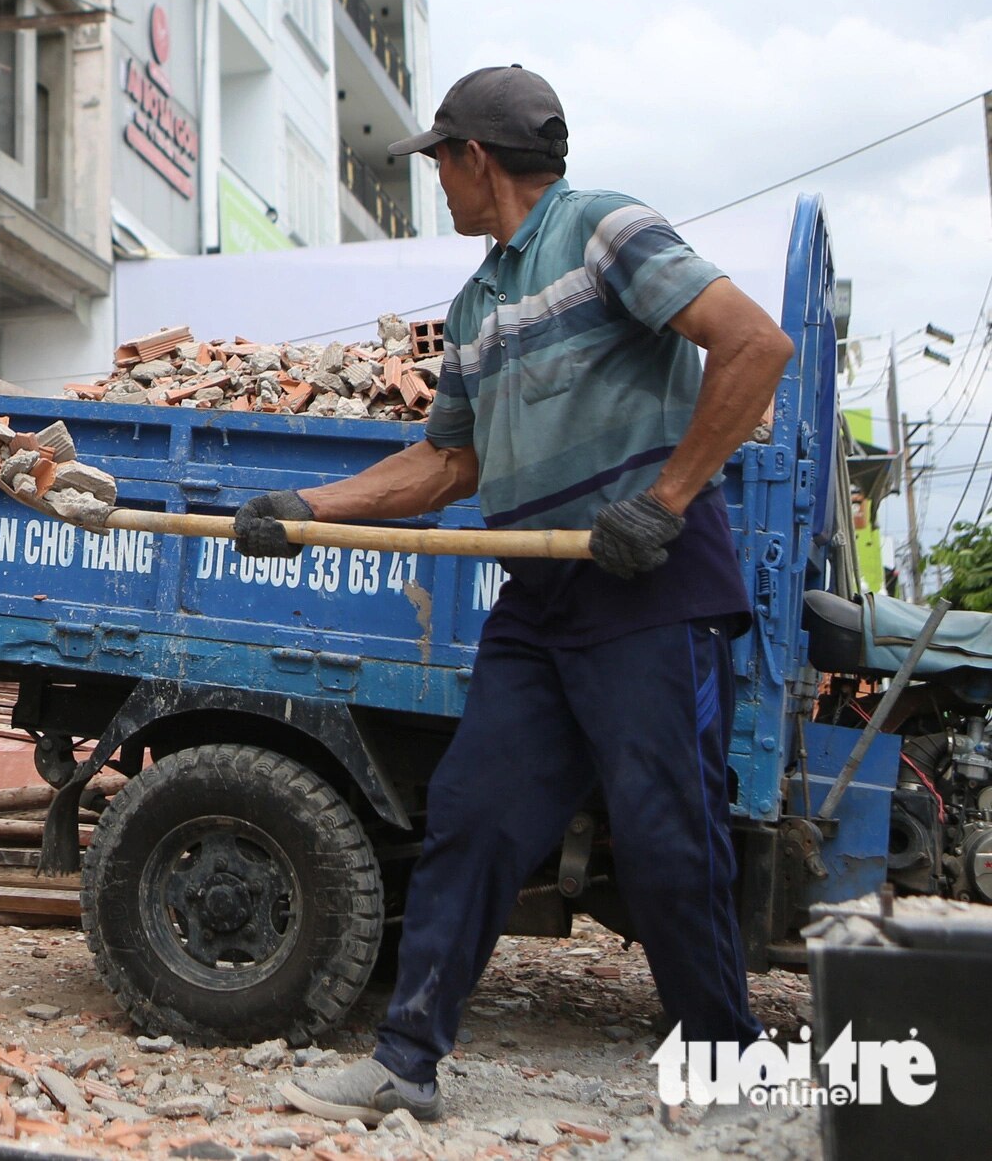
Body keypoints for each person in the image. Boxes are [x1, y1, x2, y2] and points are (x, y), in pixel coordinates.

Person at [232, 67, 791, 1121]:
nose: (433, 182)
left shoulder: (603, 231)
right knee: (472, 814)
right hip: (539, 605)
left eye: (437, 160)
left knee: (667, 833)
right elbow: (446, 465)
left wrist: (665, 499)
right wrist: (303, 506)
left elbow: (753, 344)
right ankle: (406, 1060)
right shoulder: (477, 304)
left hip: (645, 581)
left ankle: (727, 1060)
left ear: (473, 158)